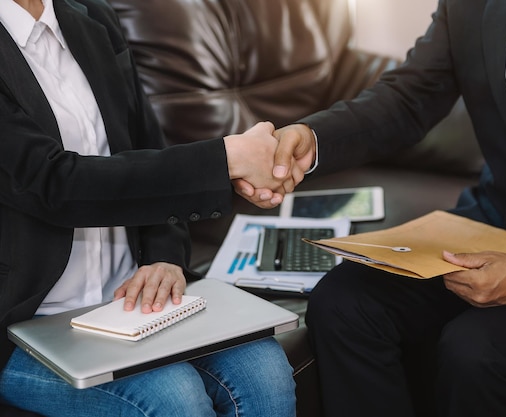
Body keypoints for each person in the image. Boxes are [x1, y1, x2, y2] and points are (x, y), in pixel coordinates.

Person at [239, 0, 506, 415]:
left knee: (475, 351)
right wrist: (314, 140)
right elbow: (411, 96)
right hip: (494, 224)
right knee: (342, 303)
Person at [0, 0, 299, 416]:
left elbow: (145, 147)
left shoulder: (91, 15)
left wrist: (163, 257)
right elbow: (52, 183)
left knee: (264, 370)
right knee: (173, 397)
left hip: (127, 299)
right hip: (22, 318)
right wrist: (226, 159)